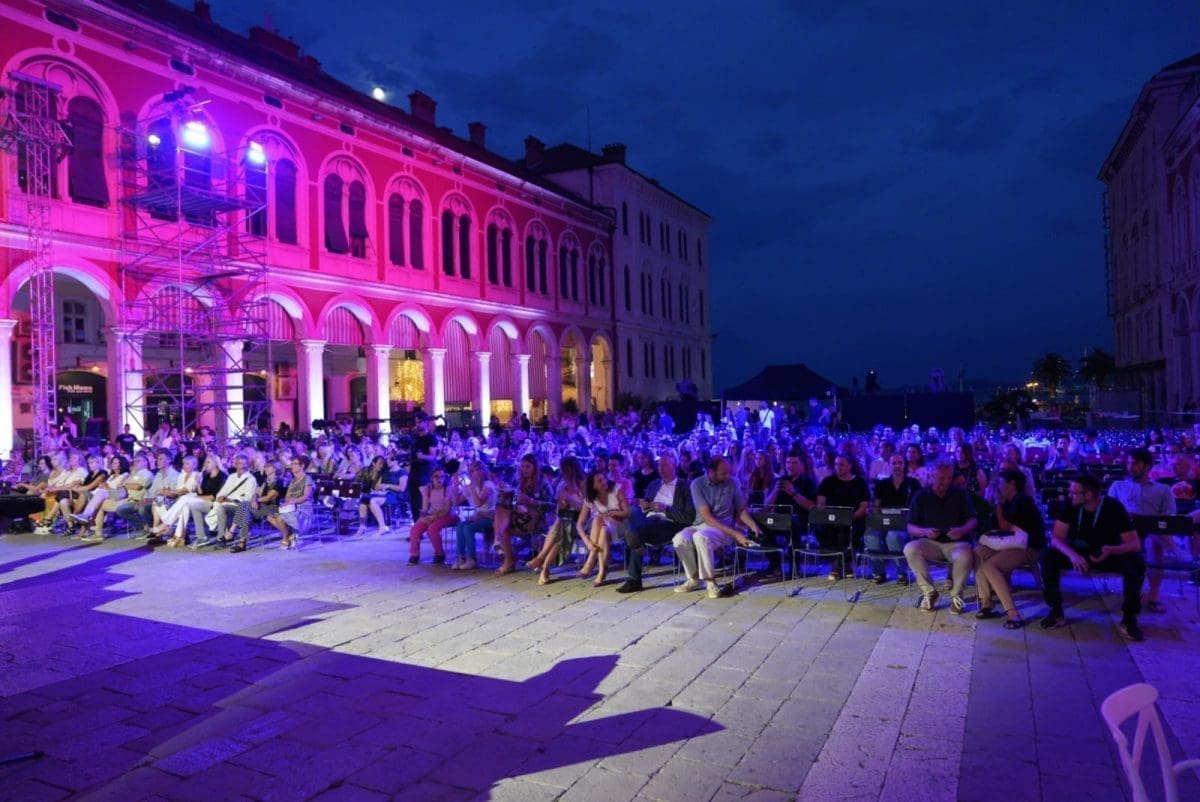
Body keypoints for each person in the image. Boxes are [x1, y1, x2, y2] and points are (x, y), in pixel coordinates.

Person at [1040, 475, 1146, 641]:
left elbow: (1134, 544)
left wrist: (1113, 550)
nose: (1070, 495)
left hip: (1108, 552)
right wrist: (1072, 555)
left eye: (1074, 493)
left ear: (1088, 495)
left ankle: (1129, 618)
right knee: (1048, 556)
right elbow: (1056, 538)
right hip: (1079, 553)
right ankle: (1056, 611)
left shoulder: (1113, 507)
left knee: (1136, 562)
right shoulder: (1071, 506)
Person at [672, 457, 762, 599]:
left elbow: (741, 509)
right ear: (711, 472)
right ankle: (694, 578)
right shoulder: (697, 484)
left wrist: (753, 525)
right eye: (723, 473)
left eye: (728, 473)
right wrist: (736, 534)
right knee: (679, 539)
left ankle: (710, 582)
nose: (727, 476)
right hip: (702, 524)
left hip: (723, 528)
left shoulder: (733, 483)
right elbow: (707, 517)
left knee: (700, 537)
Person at [1106, 447, 1176, 614]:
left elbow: (1169, 515)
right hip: (1124, 532)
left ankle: (1153, 597)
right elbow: (1107, 512)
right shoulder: (1118, 486)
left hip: (1152, 531)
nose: (1130, 467)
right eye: (1128, 463)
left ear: (1147, 466)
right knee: (1150, 540)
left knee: (1154, 542)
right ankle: (1177, 551)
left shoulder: (1163, 489)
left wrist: (1146, 519)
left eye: (1135, 464)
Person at [903, 460, 978, 613]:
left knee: (965, 555)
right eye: (942, 478)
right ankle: (929, 592)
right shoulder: (921, 495)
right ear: (932, 476)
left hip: (956, 543)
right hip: (930, 542)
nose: (946, 481)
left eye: (949, 478)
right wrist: (925, 532)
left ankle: (957, 595)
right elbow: (910, 527)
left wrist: (961, 530)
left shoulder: (959, 494)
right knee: (910, 549)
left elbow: (973, 520)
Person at [974, 469, 1046, 629]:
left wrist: (998, 504)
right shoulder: (1009, 501)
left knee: (990, 566)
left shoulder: (1022, 500)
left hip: (1028, 548)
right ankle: (986, 604)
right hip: (1012, 545)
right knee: (978, 553)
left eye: (1000, 483)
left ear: (1012, 484)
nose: (998, 487)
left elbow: (1005, 526)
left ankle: (1013, 613)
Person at [617, 451, 695, 593]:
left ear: (674, 465)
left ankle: (634, 579)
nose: (661, 467)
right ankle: (634, 537)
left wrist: (666, 509)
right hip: (648, 520)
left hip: (668, 523)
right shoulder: (654, 484)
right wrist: (644, 505)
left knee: (635, 531)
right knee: (633, 511)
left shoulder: (685, 487)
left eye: (664, 464)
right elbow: (646, 506)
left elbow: (689, 517)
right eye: (659, 464)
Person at [492, 454, 552, 575]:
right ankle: (507, 559)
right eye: (523, 466)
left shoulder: (543, 483)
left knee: (502, 524)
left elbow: (550, 505)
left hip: (535, 519)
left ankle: (499, 544)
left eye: (528, 467)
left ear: (535, 467)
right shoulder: (517, 481)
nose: (524, 469)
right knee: (500, 508)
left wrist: (530, 501)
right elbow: (509, 502)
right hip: (519, 516)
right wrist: (504, 493)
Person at [866, 454, 921, 584]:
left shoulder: (913, 484)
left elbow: (919, 507)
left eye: (900, 463)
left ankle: (901, 573)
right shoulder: (882, 484)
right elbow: (876, 506)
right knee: (871, 535)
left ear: (904, 465)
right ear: (889, 465)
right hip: (885, 521)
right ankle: (878, 572)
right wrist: (876, 517)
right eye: (894, 463)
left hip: (905, 523)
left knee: (893, 536)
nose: (897, 466)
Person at [815, 455, 870, 581]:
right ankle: (845, 564)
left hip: (854, 518)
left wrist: (853, 517)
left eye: (841, 465)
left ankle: (837, 565)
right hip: (831, 519)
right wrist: (825, 512)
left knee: (845, 530)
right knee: (824, 528)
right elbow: (821, 503)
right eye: (836, 464)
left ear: (850, 466)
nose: (838, 467)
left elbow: (864, 505)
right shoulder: (828, 481)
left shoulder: (860, 483)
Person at [576, 470, 629, 587]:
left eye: (604, 478)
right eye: (599, 481)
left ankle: (590, 561)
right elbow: (579, 524)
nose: (604, 481)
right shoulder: (590, 499)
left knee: (599, 519)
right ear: (593, 486)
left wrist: (612, 513)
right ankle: (602, 571)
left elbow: (627, 512)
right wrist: (587, 542)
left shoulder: (616, 489)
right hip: (603, 530)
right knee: (602, 526)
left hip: (620, 527)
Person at [451, 461, 497, 570]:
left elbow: (479, 503)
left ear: (480, 471)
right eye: (469, 471)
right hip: (478, 517)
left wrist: (471, 488)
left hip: (490, 517)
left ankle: (472, 559)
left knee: (468, 528)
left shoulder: (488, 485)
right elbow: (455, 502)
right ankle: (460, 557)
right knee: (460, 526)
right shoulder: (470, 487)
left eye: (472, 471)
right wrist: (456, 487)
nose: (470, 474)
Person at [407, 466, 455, 565]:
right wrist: (424, 517)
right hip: (432, 513)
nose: (439, 479)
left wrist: (433, 517)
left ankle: (439, 554)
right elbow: (425, 509)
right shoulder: (428, 489)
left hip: (447, 515)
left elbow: (447, 510)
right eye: (436, 477)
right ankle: (414, 555)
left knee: (432, 530)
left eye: (442, 477)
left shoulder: (448, 489)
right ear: (431, 478)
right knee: (415, 529)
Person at [210, 454, 259, 547]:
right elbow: (223, 490)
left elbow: (248, 497)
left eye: (244, 464)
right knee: (220, 507)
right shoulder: (231, 477)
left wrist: (230, 499)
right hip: (227, 502)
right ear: (235, 465)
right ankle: (222, 536)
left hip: (241, 505)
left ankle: (228, 535)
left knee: (238, 507)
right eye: (239, 463)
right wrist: (220, 497)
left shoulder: (251, 479)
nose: (242, 466)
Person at [267, 455, 314, 549]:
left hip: (303, 510)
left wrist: (292, 501)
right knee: (270, 516)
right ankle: (289, 535)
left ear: (302, 466)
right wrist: (288, 502)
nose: (291, 466)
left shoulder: (307, 479)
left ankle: (285, 538)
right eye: (291, 464)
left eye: (294, 464)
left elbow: (305, 497)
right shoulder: (293, 481)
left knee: (280, 519)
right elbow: (287, 496)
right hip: (291, 507)